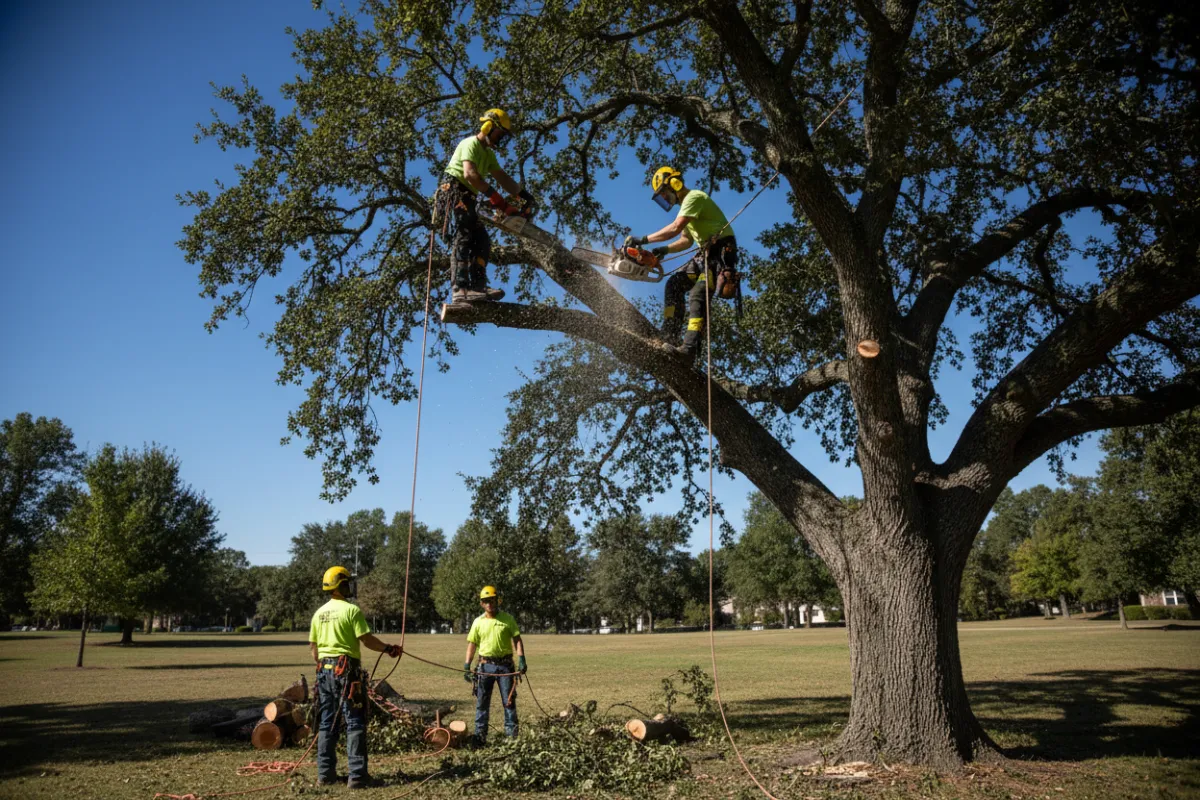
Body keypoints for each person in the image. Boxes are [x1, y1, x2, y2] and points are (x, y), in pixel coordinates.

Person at [625, 166, 738, 357]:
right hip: (704, 256)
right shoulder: (687, 207)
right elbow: (686, 240)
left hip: (720, 254)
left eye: (664, 194)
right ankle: (669, 334)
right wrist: (664, 250)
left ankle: (689, 351)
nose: (666, 199)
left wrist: (643, 239)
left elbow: (675, 228)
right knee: (674, 284)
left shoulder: (694, 197)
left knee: (698, 295)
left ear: (674, 184)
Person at [309, 565, 402, 789]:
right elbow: (367, 640)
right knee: (354, 721)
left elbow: (313, 648)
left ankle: (325, 774)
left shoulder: (319, 613)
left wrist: (325, 667)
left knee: (327, 722)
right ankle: (358, 776)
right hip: (346, 672)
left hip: (324, 671)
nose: (350, 586)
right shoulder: (351, 610)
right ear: (340, 585)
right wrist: (389, 649)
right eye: (347, 582)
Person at [440, 108, 536, 303]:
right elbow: (469, 174)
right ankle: (460, 288)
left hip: (469, 196)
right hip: (455, 189)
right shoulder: (470, 143)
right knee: (464, 233)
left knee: (482, 240)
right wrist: (497, 200)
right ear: (488, 126)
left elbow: (503, 178)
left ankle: (478, 286)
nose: (500, 139)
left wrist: (524, 197)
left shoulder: (489, 155)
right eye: (500, 134)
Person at [463, 585, 526, 746]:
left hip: (505, 667)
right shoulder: (478, 622)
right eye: (486, 601)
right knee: (482, 703)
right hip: (485, 667)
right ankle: (479, 738)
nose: (489, 604)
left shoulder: (508, 619)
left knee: (509, 703)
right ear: (482, 604)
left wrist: (522, 659)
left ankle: (512, 739)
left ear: (497, 601)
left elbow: (517, 640)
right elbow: (472, 645)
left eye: (491, 600)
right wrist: (467, 665)